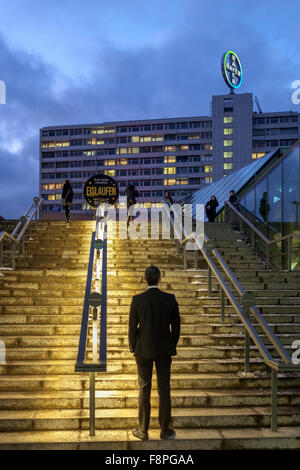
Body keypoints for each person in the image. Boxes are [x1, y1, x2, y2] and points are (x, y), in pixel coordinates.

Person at [128, 265, 181, 441]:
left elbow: (132, 327)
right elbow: (176, 327)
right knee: (164, 389)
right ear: (159, 279)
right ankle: (165, 430)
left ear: (145, 279)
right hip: (164, 349)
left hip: (143, 349)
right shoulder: (170, 299)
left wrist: (133, 346)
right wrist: (171, 343)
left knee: (144, 388)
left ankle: (143, 430)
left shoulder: (137, 300)